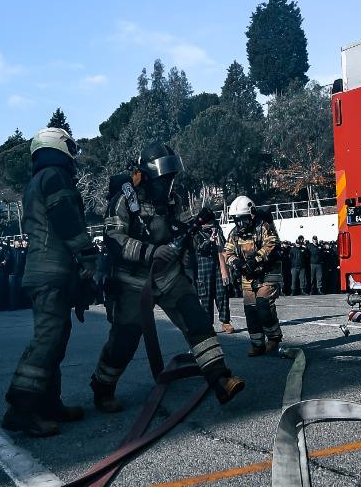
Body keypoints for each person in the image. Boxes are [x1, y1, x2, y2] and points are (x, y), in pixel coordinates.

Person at [90, 143, 245, 411]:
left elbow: (185, 228)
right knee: (125, 339)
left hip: (169, 275)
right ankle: (103, 388)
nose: (168, 183)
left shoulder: (174, 200)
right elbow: (113, 238)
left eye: (171, 177)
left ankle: (220, 378)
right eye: (163, 178)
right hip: (132, 281)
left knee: (196, 320)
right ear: (146, 175)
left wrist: (200, 241)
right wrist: (151, 252)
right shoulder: (124, 199)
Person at [1, 127, 102, 437]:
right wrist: (89, 257)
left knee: (56, 338)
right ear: (59, 147)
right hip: (51, 272)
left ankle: (48, 404)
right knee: (48, 340)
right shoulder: (56, 177)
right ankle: (21, 408)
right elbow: (68, 221)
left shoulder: (38, 179)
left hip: (45, 270)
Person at [225, 195, 286, 357]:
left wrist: (256, 259)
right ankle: (257, 344)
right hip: (248, 275)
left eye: (243, 219)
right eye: (236, 220)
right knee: (251, 310)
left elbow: (272, 244)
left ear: (251, 215)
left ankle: (274, 337)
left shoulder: (263, 227)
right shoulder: (234, 233)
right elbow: (228, 252)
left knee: (263, 304)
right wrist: (236, 262)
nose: (240, 224)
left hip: (268, 271)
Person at [186, 217, 232, 331]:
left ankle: (225, 321)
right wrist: (210, 240)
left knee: (222, 294)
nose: (210, 224)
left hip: (218, 266)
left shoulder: (218, 230)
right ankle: (208, 324)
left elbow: (224, 247)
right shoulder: (196, 233)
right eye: (207, 222)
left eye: (211, 222)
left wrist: (217, 236)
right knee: (206, 297)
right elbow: (199, 248)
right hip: (203, 267)